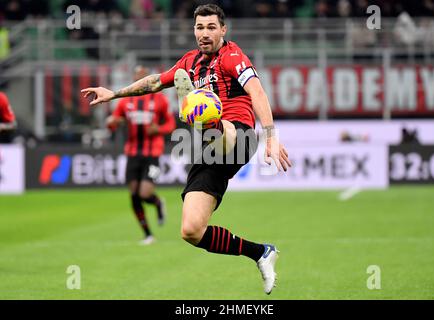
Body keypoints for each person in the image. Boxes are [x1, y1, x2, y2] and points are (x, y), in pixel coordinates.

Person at [82, 4, 291, 294]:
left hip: (239, 135)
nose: (204, 33)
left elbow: (256, 91)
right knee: (191, 230)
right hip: (210, 151)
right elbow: (155, 81)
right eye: (199, 27)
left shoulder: (233, 56)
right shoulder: (189, 62)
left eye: (211, 27)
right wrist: (115, 93)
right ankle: (261, 253)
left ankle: (201, 113)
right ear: (194, 30)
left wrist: (271, 136)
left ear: (223, 30)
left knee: (211, 118)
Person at [106, 65, 176, 245]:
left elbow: (171, 125)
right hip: (132, 152)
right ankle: (147, 234)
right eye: (137, 76)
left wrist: (158, 129)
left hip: (153, 153)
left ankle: (158, 203)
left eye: (143, 76)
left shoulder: (160, 100)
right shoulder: (124, 102)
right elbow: (112, 124)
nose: (140, 80)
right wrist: (114, 122)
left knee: (145, 193)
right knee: (134, 194)